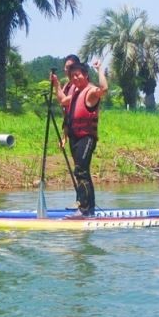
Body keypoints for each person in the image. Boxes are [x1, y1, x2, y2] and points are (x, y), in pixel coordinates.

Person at [51, 60, 108, 217]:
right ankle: (88, 209)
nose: (75, 78)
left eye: (78, 75)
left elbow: (104, 89)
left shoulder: (90, 91)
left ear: (85, 75)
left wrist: (100, 70)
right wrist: (56, 84)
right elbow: (63, 100)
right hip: (75, 138)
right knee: (83, 172)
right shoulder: (76, 93)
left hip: (87, 138)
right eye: (72, 76)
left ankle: (84, 209)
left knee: (81, 171)